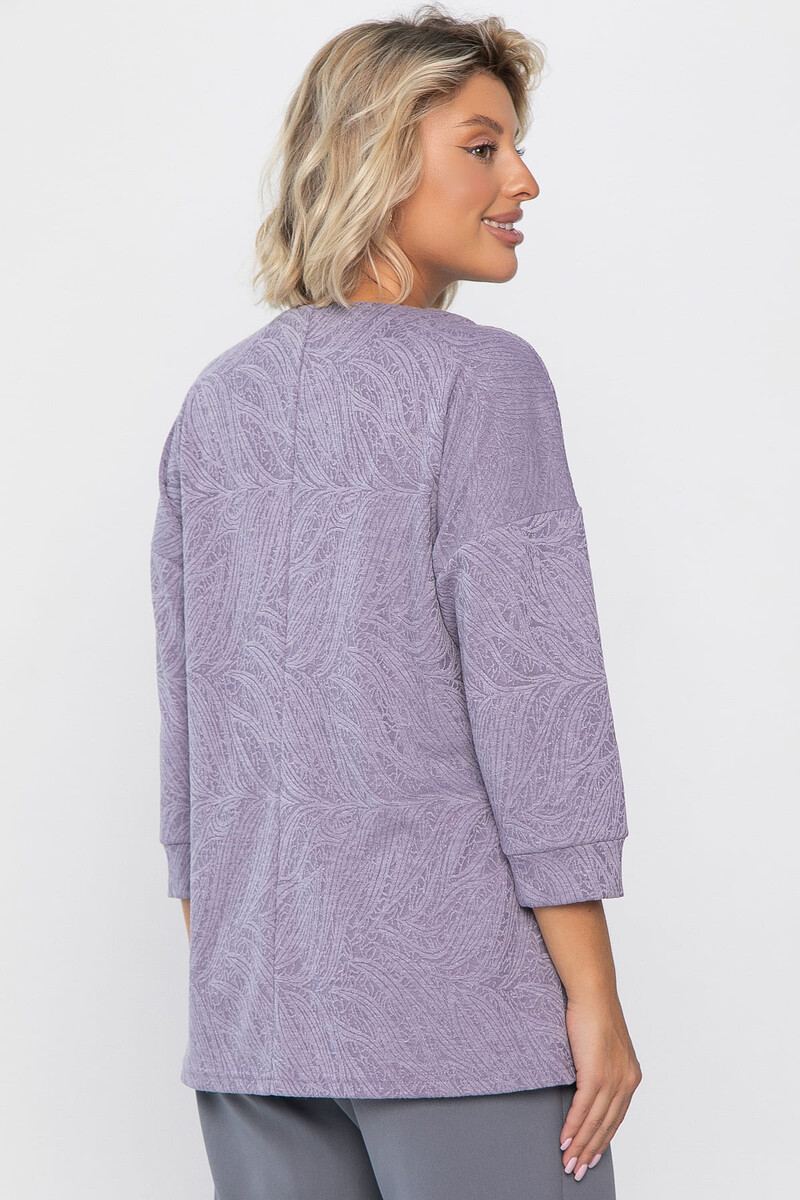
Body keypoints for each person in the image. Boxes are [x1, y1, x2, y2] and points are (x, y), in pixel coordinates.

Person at [150, 5, 642, 1197]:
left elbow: (193, 724)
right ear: (373, 153)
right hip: (456, 1018)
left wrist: (236, 972)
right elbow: (538, 705)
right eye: (480, 147)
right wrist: (592, 996)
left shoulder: (218, 400)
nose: (520, 180)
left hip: (254, 1015)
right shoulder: (481, 380)